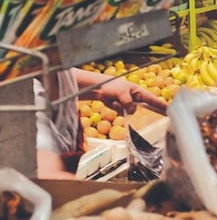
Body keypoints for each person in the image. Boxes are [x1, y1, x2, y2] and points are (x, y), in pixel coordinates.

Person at [35, 68, 165, 179]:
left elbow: (45, 71)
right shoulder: (27, 98)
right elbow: (42, 167)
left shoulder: (42, 66)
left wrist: (101, 86)